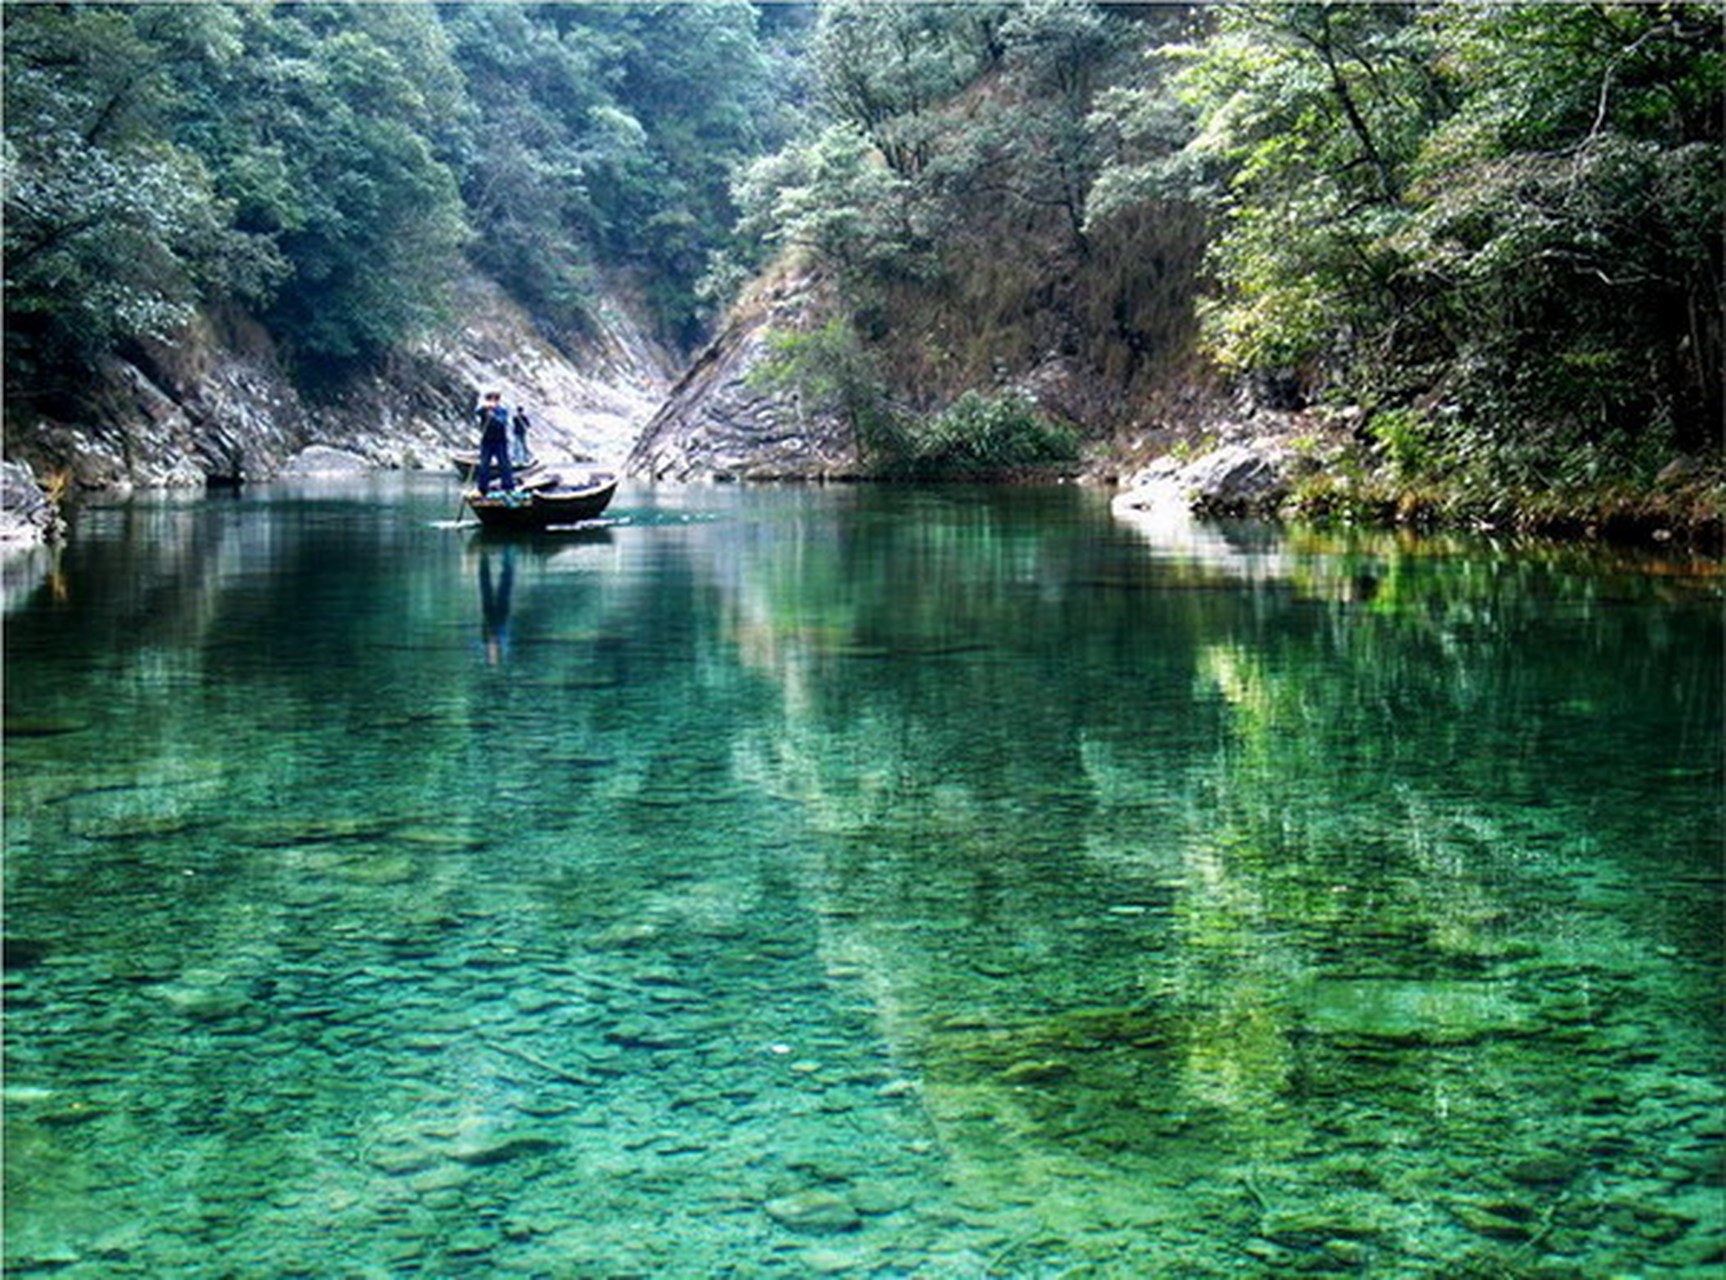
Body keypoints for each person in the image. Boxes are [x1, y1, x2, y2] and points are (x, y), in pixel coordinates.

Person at [473, 390, 514, 494]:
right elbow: (476, 411)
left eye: (495, 400)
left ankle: (508, 487)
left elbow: (502, 423)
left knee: (504, 464)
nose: (493, 402)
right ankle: (482, 488)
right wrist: (485, 408)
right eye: (490, 400)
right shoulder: (483, 410)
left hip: (500, 441)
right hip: (486, 441)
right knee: (484, 465)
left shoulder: (502, 411)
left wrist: (493, 416)